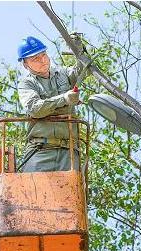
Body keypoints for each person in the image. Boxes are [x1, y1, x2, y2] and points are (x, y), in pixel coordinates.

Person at [17, 35, 91, 172]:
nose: (43, 60)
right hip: (40, 150)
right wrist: (64, 99)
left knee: (71, 192)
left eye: (43, 55)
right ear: (25, 64)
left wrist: (79, 49)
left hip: (69, 152)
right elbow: (35, 108)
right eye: (35, 59)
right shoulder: (27, 83)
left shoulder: (63, 73)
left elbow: (85, 69)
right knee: (34, 190)